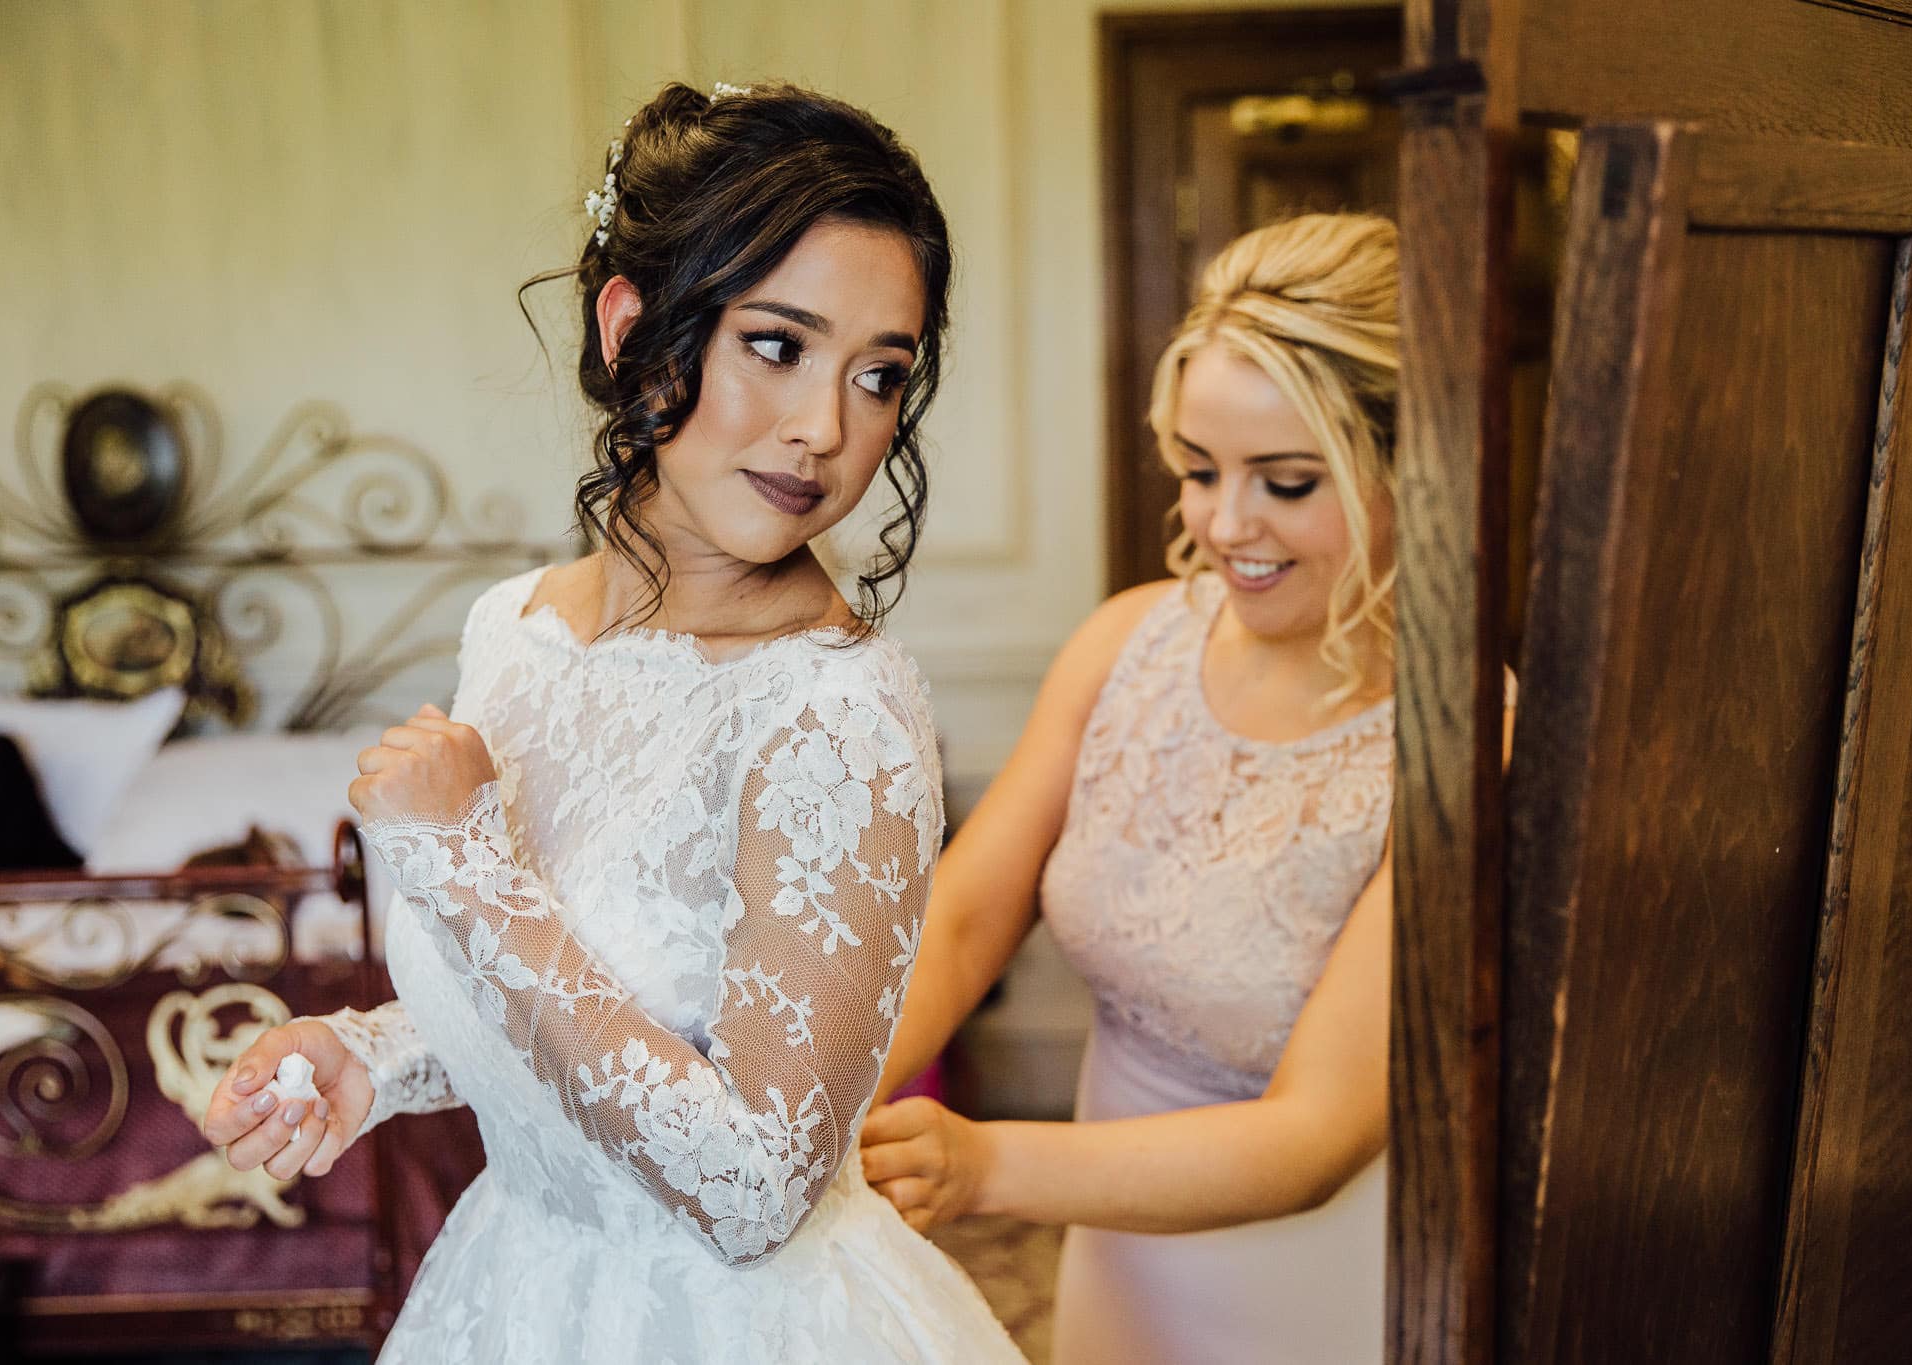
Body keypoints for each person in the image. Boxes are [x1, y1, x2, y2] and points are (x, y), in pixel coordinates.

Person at [197, 81, 1021, 1363]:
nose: (827, 431)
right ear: (632, 326)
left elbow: (753, 1191)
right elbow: (583, 1012)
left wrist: (469, 869)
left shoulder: (838, 709)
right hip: (518, 1288)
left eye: (879, 376)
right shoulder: (512, 628)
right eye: (777, 344)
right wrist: (379, 1059)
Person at [861, 212, 1411, 1363]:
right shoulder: (1125, 645)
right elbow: (966, 913)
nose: (1224, 525)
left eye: (1287, 481)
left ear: (1415, 466)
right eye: (1200, 471)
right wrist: (831, 1090)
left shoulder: (1466, 750)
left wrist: (985, 1162)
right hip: (1116, 1249)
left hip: (1315, 1274)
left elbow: (1312, 1138)